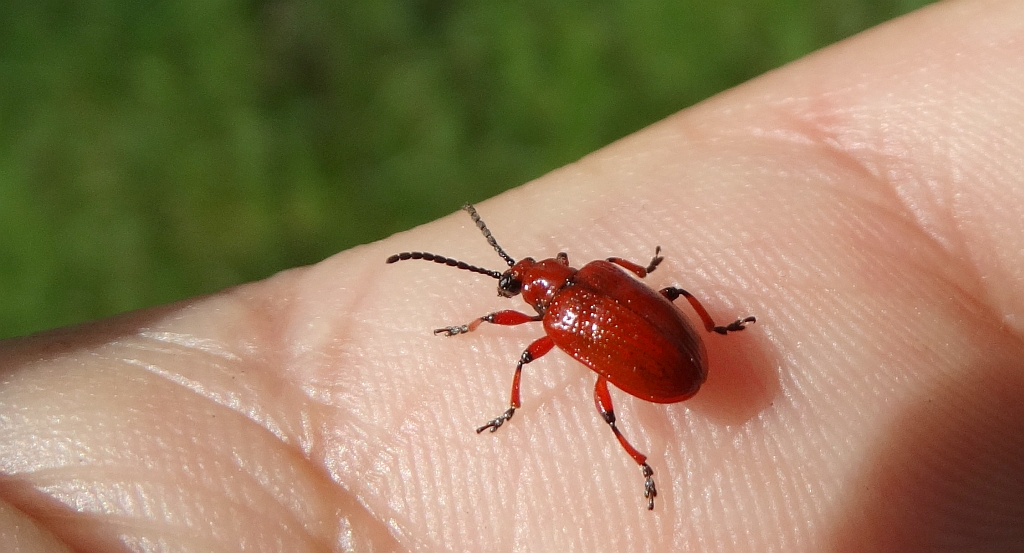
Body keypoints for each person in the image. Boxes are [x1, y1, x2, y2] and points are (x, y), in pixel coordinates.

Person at [2, 0, 1022, 550]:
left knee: (602, 391)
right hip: (665, 354)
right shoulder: (589, 286)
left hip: (665, 358)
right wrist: (650, 295)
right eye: (519, 279)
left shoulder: (559, 317)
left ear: (538, 287)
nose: (520, 281)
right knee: (648, 319)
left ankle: (645, 452)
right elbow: (633, 282)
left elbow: (607, 299)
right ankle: (679, 396)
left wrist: (617, 320)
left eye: (517, 279)